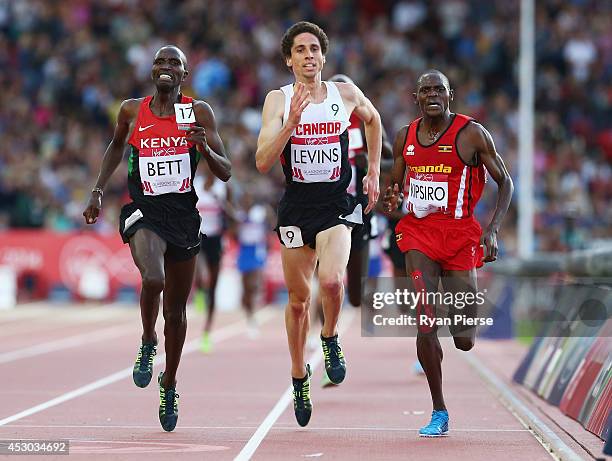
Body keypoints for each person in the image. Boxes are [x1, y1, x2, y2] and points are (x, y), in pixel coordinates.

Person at [82, 45, 231, 432]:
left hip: (183, 216)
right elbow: (116, 146)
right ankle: (148, 341)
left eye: (174, 64)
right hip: (145, 209)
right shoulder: (132, 110)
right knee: (153, 279)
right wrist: (98, 190)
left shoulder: (198, 113)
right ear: (152, 71)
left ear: (184, 74)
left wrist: (203, 148)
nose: (166, 67)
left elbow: (226, 170)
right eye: (160, 62)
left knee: (177, 314)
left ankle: (170, 383)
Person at [256, 21, 382, 426]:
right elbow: (261, 161)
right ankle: (298, 375)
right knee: (297, 301)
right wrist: (290, 124)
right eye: (301, 50)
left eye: (315, 49)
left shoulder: (345, 94)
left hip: (335, 204)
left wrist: (374, 171)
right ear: (288, 60)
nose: (309, 55)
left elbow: (373, 120)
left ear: (324, 57)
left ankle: (329, 338)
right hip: (296, 207)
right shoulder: (277, 100)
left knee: (330, 281)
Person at [383, 70, 513, 437]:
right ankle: (439, 410)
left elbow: (505, 181)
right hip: (419, 235)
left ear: (449, 94)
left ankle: (460, 328)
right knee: (426, 318)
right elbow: (395, 186)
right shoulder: (404, 136)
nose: (432, 95)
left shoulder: (472, 133)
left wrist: (492, 229)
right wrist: (390, 197)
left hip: (460, 236)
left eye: (438, 89)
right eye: (425, 90)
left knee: (464, 339)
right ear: (416, 98)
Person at [312, 73, 392, 388]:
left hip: (359, 209)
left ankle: (348, 310)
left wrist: (363, 161)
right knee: (327, 279)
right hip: (327, 208)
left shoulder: (362, 122)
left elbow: (385, 156)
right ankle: (326, 340)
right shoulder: (320, 123)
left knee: (356, 297)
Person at [193, 163, 232, 353]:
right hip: (198, 236)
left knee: (213, 288)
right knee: (202, 274)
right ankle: (200, 286)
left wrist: (220, 200)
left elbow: (233, 213)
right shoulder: (196, 184)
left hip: (216, 239)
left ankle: (207, 331)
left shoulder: (222, 187)